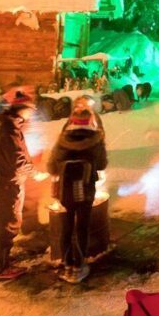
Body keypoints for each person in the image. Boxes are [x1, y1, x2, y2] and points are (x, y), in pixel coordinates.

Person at [48, 100, 108, 283]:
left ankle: (67, 264)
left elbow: (51, 167)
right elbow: (102, 164)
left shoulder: (62, 140)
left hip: (65, 191)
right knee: (82, 227)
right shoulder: (96, 140)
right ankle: (79, 266)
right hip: (86, 190)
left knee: (66, 228)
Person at [0, 99, 46, 280]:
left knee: (0, 221)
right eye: (30, 111)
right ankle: (2, 268)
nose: (31, 114)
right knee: (10, 222)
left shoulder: (5, 126)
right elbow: (18, 159)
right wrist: (35, 174)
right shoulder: (9, 130)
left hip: (3, 180)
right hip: (10, 182)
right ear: (21, 111)